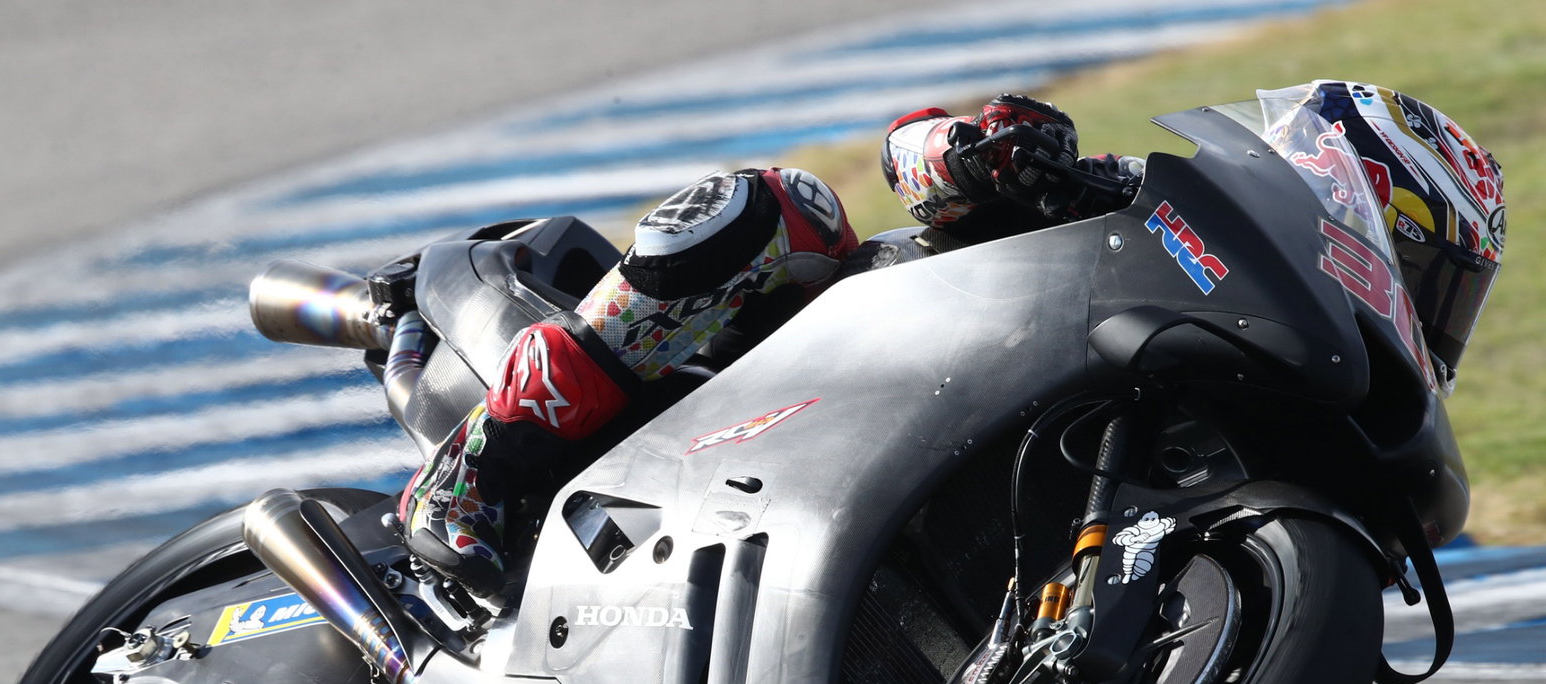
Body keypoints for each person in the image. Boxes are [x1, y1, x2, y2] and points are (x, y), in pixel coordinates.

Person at [397, 81, 1503, 600]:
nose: (1428, 309)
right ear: (1357, 197)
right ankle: (485, 471)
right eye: (1430, 275)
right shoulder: (1158, 206)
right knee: (781, 207)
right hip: (808, 370)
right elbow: (909, 150)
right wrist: (988, 155)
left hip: (886, 503)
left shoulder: (1276, 399)